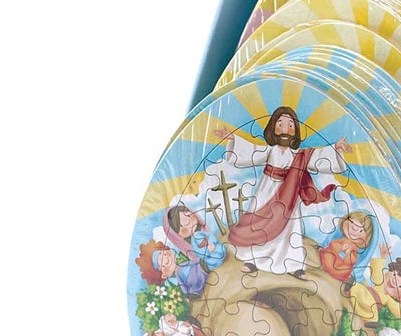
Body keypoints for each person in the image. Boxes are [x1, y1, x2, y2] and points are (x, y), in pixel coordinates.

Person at [214, 107, 352, 276]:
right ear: (273, 127)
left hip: (290, 195)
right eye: (280, 124)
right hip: (266, 193)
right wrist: (233, 139)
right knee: (257, 224)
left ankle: (293, 265)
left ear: (296, 130)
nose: (285, 129)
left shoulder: (300, 154)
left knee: (290, 229)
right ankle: (253, 260)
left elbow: (318, 157)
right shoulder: (269, 150)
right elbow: (251, 152)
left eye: (290, 125)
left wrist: (336, 148)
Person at [349, 244, 401, 324]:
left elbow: (396, 308)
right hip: (362, 294)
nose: (396, 282)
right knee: (358, 288)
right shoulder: (380, 283)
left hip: (371, 307)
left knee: (372, 315)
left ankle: (371, 322)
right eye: (397, 274)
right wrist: (383, 258)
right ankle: (350, 286)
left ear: (400, 299)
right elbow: (377, 273)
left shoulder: (388, 300)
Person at [318, 211, 374, 283]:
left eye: (361, 230)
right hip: (330, 259)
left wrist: (348, 254)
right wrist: (340, 247)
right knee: (326, 255)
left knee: (344, 270)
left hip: (340, 268)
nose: (354, 229)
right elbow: (332, 245)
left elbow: (351, 261)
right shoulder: (341, 239)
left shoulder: (354, 248)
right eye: (352, 223)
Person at [136, 239, 207, 296]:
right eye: (162, 265)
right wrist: (187, 293)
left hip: (199, 270)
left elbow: (192, 260)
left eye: (161, 253)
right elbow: (181, 284)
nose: (165, 257)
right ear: (163, 275)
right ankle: (195, 292)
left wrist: (198, 261)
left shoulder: (182, 255)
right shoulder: (175, 278)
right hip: (193, 284)